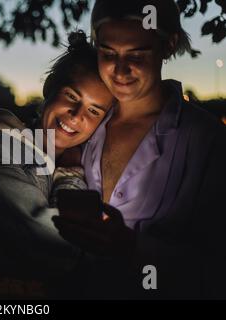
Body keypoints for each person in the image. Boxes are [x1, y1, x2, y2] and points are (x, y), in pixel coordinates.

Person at [52, 0, 226, 299]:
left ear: (168, 46)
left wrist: (132, 248)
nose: (120, 70)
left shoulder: (206, 140)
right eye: (108, 53)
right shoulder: (86, 125)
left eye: (137, 53)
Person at [0, 31, 115, 299]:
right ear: (49, 87)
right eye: (71, 96)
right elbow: (57, 248)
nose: (77, 116)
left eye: (94, 111)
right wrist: (70, 174)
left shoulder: (83, 161)